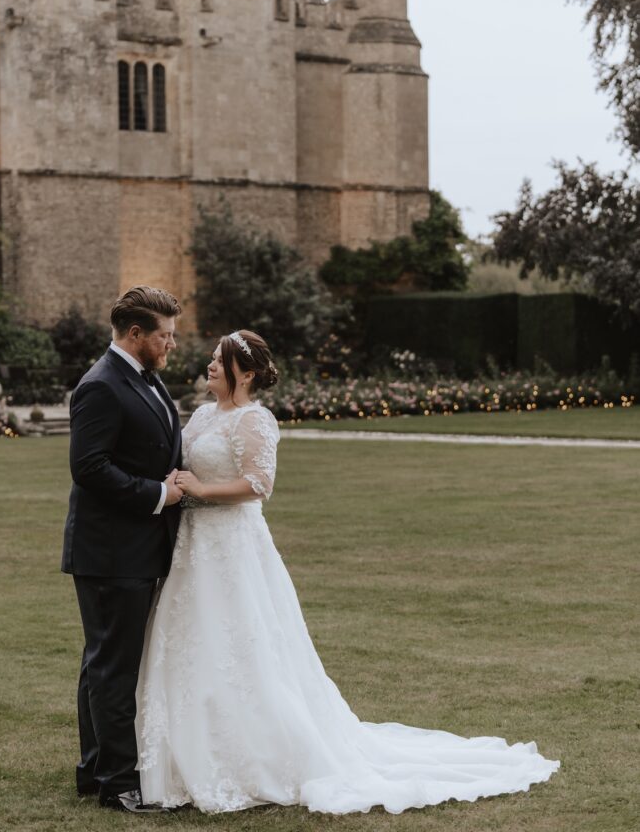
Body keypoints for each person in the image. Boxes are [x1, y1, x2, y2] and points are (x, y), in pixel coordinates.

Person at [136, 329, 559, 814]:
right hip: (193, 545)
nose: (209, 364)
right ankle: (187, 752)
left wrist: (201, 490)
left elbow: (259, 484)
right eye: (211, 358)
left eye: (219, 359)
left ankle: (254, 757)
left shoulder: (256, 420)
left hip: (232, 547)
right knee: (194, 641)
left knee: (242, 642)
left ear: (246, 373)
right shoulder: (206, 414)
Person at [61, 285, 185, 813]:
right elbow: (88, 468)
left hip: (133, 547)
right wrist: (158, 494)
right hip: (111, 551)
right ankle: (116, 782)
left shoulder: (145, 380)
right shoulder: (102, 386)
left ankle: (93, 769)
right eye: (165, 336)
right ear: (135, 334)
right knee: (114, 667)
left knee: (102, 662)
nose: (172, 345)